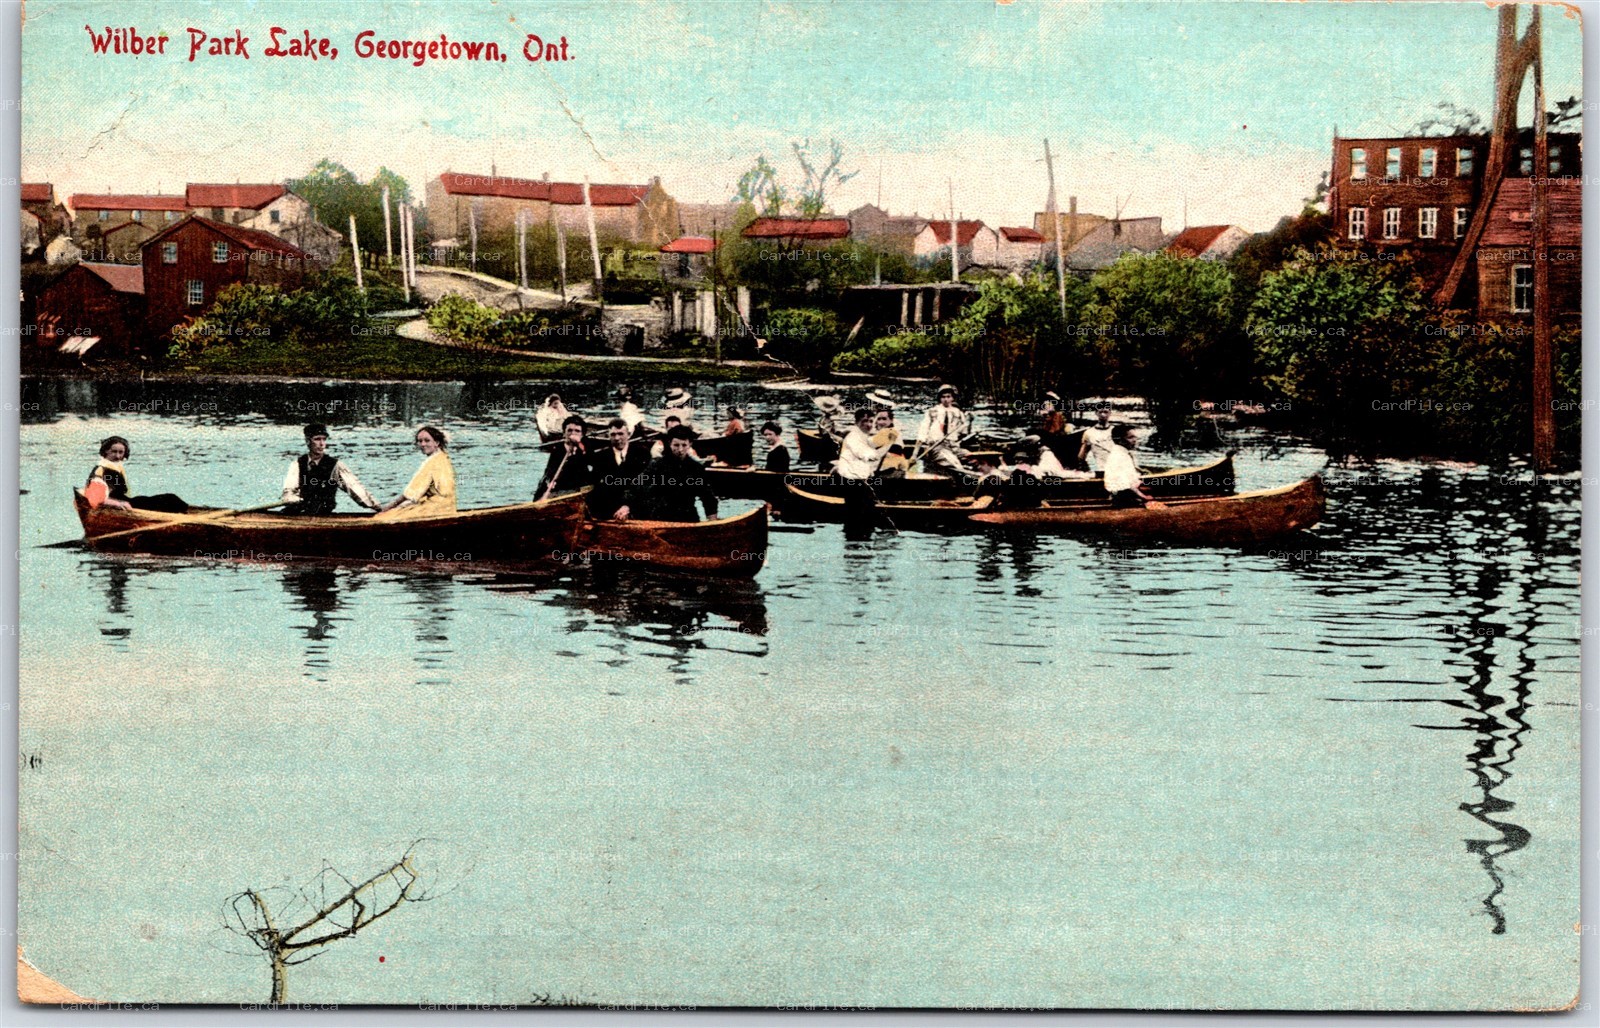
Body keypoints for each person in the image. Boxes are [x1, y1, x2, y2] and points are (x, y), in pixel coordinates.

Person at [280, 423, 380, 515]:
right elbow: (289, 490)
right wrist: (290, 498)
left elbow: (356, 490)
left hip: (323, 514)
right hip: (299, 514)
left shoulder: (335, 465)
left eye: (324, 439)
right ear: (307, 441)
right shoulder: (297, 464)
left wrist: (378, 507)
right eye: (317, 439)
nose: (322, 444)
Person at [626, 425, 720, 523]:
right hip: (660, 519)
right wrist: (626, 506)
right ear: (670, 444)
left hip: (688, 518)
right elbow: (636, 487)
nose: (680, 450)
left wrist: (712, 521)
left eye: (684, 445)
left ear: (690, 444)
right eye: (676, 445)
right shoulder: (657, 465)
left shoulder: (697, 468)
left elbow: (708, 497)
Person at [86, 436, 188, 513]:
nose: (117, 456)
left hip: (126, 502)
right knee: (171, 500)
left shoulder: (112, 468)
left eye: (121, 452)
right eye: (114, 452)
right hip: (123, 505)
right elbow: (96, 498)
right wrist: (118, 504)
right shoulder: (102, 470)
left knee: (171, 499)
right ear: (106, 451)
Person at [375, 425, 456, 518]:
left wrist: (387, 508)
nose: (423, 444)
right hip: (449, 506)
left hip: (435, 508)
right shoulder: (443, 457)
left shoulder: (431, 463)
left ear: (436, 442)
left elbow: (409, 494)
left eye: (427, 440)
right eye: (420, 441)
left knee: (384, 517)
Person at [835, 407, 898, 524]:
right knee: (857, 517)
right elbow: (872, 456)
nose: (868, 425)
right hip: (853, 483)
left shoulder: (864, 437)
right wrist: (890, 443)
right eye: (864, 421)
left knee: (864, 517)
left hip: (860, 481)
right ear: (856, 422)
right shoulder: (854, 438)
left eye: (871, 421)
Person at [589, 417, 651, 520]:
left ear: (629, 434)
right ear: (608, 436)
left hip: (635, 508)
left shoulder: (642, 454)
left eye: (621, 434)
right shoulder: (600, 457)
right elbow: (597, 486)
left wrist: (629, 506)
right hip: (609, 511)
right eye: (613, 434)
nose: (617, 438)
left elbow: (645, 485)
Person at [915, 384, 973, 476]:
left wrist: (970, 422)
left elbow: (963, 432)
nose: (946, 399)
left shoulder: (958, 413)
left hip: (954, 446)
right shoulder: (932, 412)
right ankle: (963, 474)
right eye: (943, 397)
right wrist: (914, 454)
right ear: (940, 398)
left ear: (952, 398)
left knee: (973, 458)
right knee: (954, 463)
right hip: (937, 446)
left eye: (948, 397)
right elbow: (922, 432)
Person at [536, 414, 592, 499]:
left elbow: (591, 463)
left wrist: (578, 445)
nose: (572, 434)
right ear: (564, 433)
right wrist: (550, 481)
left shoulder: (586, 448)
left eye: (577, 431)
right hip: (561, 489)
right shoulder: (557, 450)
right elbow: (550, 471)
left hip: (581, 488)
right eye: (569, 430)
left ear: (582, 435)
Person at [1104, 425, 1156, 508]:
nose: (1135, 440)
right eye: (1130, 437)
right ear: (1119, 440)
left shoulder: (1123, 453)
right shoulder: (1118, 456)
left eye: (1135, 437)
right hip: (1122, 495)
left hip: (1126, 491)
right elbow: (1125, 485)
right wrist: (1144, 497)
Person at [1078, 406, 1116, 472]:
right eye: (1100, 412)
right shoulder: (1089, 432)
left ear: (1110, 413)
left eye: (1106, 412)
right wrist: (1083, 467)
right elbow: (1082, 454)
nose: (1103, 415)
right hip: (1098, 468)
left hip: (1115, 466)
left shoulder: (1116, 431)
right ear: (1096, 413)